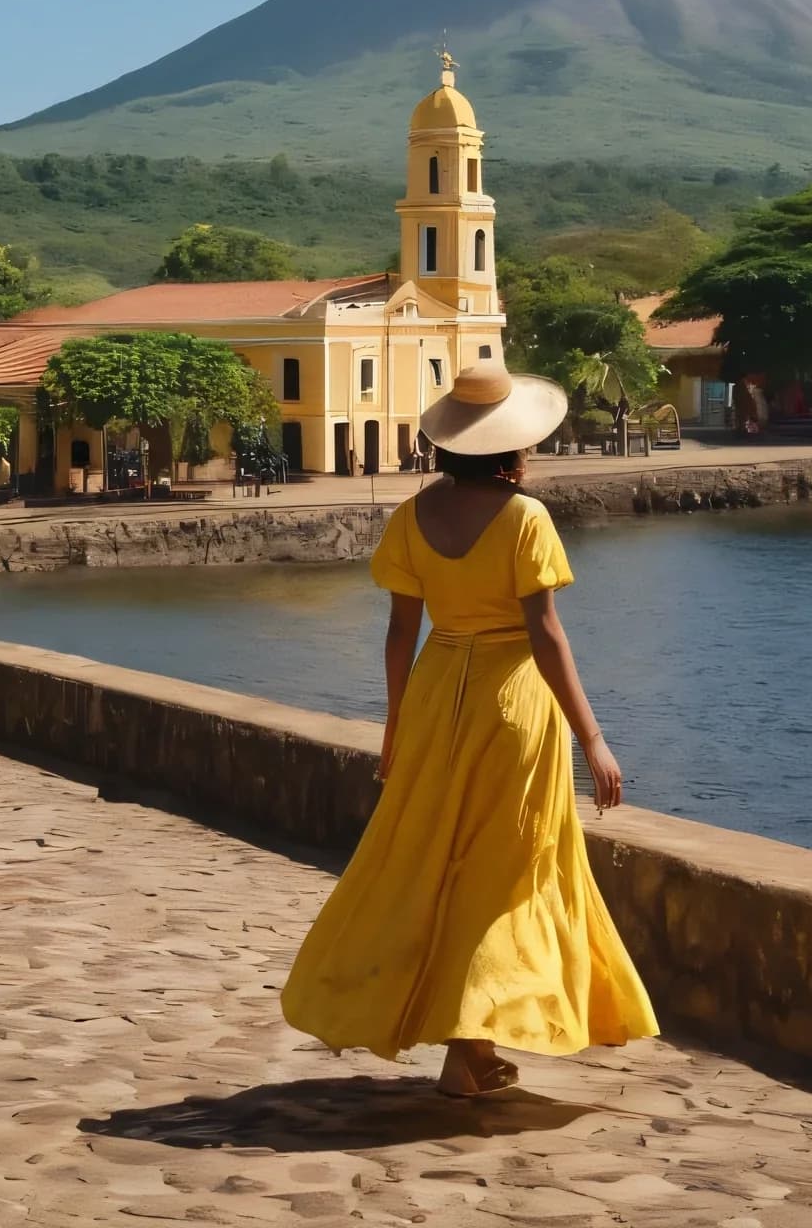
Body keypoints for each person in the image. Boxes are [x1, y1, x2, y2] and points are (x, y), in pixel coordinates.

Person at [280, 360, 657, 1097]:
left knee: (430, 862)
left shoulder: (413, 515)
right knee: (504, 874)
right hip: (511, 703)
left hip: (433, 693)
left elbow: (398, 635)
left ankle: (470, 1043)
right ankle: (469, 1043)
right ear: (513, 448)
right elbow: (545, 635)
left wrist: (395, 725)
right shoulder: (525, 519)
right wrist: (594, 739)